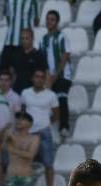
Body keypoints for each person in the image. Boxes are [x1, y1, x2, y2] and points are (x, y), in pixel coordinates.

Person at [22, 69, 60, 186]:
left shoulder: (51, 95)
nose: (39, 79)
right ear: (32, 78)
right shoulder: (25, 93)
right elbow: (23, 112)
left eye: (42, 77)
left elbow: (56, 114)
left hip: (44, 131)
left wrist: (43, 122)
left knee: (48, 163)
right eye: (37, 76)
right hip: (28, 132)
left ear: (44, 80)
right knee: (26, 160)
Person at [42, 10, 73, 139]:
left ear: (57, 22)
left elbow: (66, 55)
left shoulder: (61, 36)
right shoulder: (44, 39)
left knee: (61, 97)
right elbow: (43, 58)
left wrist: (56, 73)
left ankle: (64, 126)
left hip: (62, 75)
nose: (49, 22)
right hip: (50, 77)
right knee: (50, 101)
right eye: (48, 19)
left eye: (52, 19)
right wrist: (48, 76)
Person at [2, 111, 40, 186]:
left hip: (25, 179)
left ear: (30, 123)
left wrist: (12, 148)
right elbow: (3, 148)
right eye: (18, 118)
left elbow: (30, 155)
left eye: (22, 119)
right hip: (10, 177)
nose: (19, 121)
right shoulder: (10, 136)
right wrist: (5, 134)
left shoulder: (34, 138)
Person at [0, 27, 48, 95]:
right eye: (22, 38)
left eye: (27, 38)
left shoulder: (39, 55)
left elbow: (45, 75)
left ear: (32, 39)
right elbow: (12, 71)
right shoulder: (15, 54)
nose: (24, 41)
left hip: (33, 91)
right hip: (16, 90)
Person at [1, 0, 39, 73]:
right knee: (4, 71)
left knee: (22, 72)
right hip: (10, 42)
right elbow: (36, 21)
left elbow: (36, 21)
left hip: (21, 43)